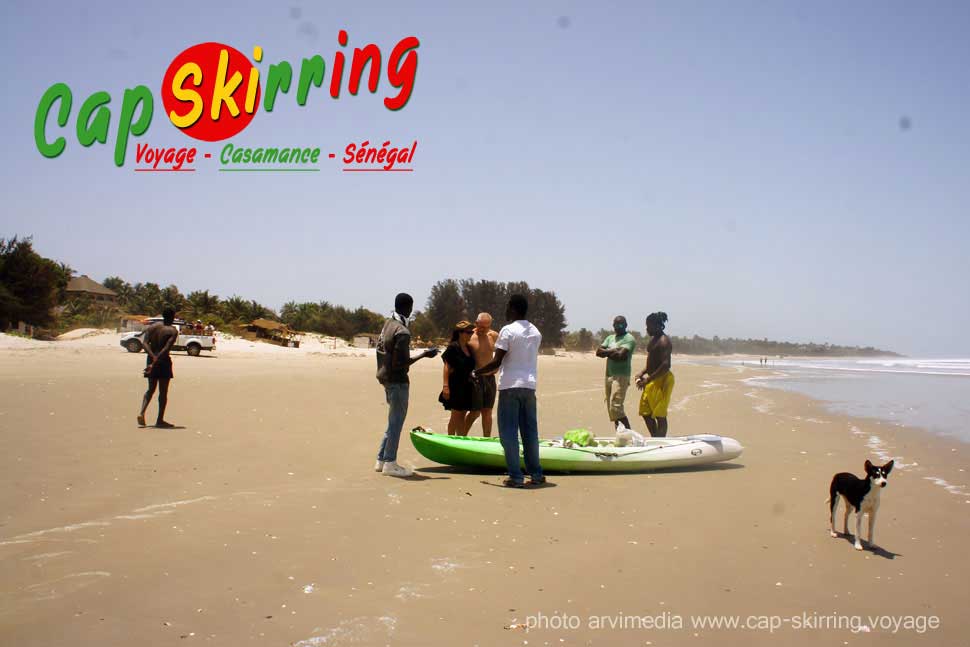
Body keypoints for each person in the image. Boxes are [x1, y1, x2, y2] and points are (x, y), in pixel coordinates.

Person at [473, 295, 545, 488]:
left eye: (507, 308)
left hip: (510, 387)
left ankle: (516, 476)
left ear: (513, 309)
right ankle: (536, 474)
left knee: (508, 432)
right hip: (529, 386)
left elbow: (497, 361)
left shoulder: (507, 330)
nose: (505, 311)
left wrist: (476, 372)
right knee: (530, 431)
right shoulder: (536, 331)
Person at [375, 293, 439, 477]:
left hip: (385, 378)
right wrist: (424, 355)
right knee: (396, 422)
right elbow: (400, 363)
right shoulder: (402, 331)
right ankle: (390, 463)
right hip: (398, 381)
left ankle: (381, 459)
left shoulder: (387, 324)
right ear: (408, 307)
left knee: (392, 420)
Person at [138, 306, 179, 428]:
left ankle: (141, 412)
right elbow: (166, 348)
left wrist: (152, 358)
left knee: (150, 389)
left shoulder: (152, 327)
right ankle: (159, 420)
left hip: (151, 359)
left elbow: (144, 343)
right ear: (172, 317)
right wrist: (156, 360)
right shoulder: (172, 331)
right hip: (163, 361)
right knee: (163, 392)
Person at [635, 312, 674, 437]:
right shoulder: (653, 340)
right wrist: (642, 372)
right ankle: (655, 438)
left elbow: (665, 365)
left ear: (658, 325)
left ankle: (661, 441)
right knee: (645, 412)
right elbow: (652, 362)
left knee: (659, 414)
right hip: (652, 380)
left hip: (662, 379)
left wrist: (648, 379)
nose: (647, 329)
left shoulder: (664, 341)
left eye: (649, 326)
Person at [438, 321, 480, 436]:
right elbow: (447, 367)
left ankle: (457, 438)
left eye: (471, 332)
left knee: (464, 413)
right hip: (455, 385)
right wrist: (445, 386)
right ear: (460, 333)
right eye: (468, 332)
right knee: (456, 415)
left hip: (467, 385)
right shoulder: (453, 347)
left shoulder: (469, 348)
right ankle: (454, 438)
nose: (471, 334)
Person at [596, 315, 637, 430]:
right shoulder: (610, 338)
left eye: (620, 324)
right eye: (615, 325)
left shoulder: (629, 338)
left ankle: (628, 435)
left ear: (625, 325)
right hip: (609, 376)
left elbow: (621, 356)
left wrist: (607, 352)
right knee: (612, 411)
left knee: (616, 408)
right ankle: (620, 435)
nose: (617, 327)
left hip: (621, 377)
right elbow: (598, 352)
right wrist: (614, 350)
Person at [467, 312, 499, 437]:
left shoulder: (494, 335)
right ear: (476, 323)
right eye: (480, 326)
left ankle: (487, 439)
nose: (483, 329)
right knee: (474, 412)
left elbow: (504, 351)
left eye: (486, 327)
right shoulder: (469, 336)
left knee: (487, 412)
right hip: (475, 379)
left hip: (490, 378)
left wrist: (497, 365)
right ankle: (462, 435)